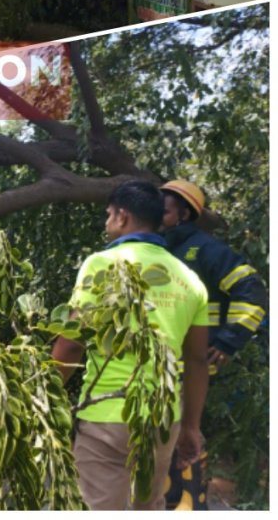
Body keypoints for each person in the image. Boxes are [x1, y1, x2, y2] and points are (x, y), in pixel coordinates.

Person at [51, 180, 210, 511]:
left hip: (107, 418)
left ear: (122, 216)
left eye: (109, 214)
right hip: (163, 420)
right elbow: (196, 361)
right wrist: (191, 428)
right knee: (148, 507)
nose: (107, 222)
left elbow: (72, 344)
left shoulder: (101, 264)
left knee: (95, 507)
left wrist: (41, 396)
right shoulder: (190, 280)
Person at [159, 179, 268, 509]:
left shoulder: (206, 250)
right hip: (162, 367)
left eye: (163, 209)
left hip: (190, 367)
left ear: (184, 214)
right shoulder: (158, 248)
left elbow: (253, 293)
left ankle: (191, 506)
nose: (155, 214)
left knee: (184, 443)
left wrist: (228, 341)